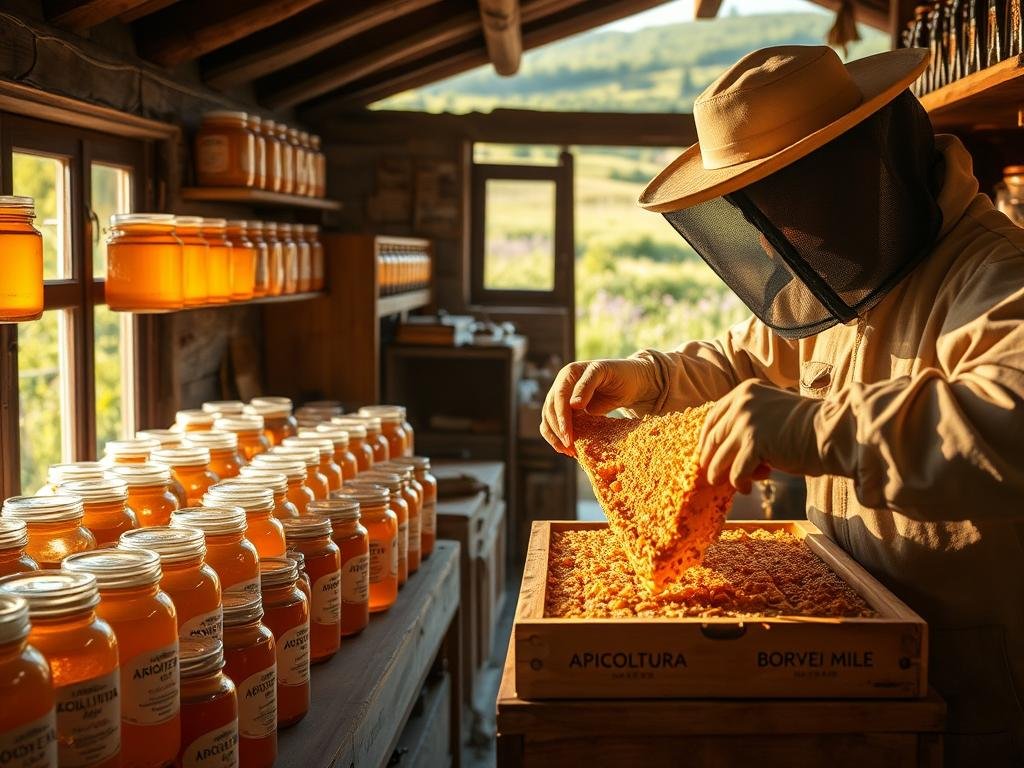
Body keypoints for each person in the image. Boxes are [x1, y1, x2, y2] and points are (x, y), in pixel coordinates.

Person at [541, 44, 1024, 765]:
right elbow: (750, 354)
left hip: (966, 702)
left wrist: (811, 425)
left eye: (781, 202)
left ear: (857, 171)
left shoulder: (996, 272)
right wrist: (643, 379)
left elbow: (1010, 417)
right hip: (846, 663)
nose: (769, 235)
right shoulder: (855, 271)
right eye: (755, 211)